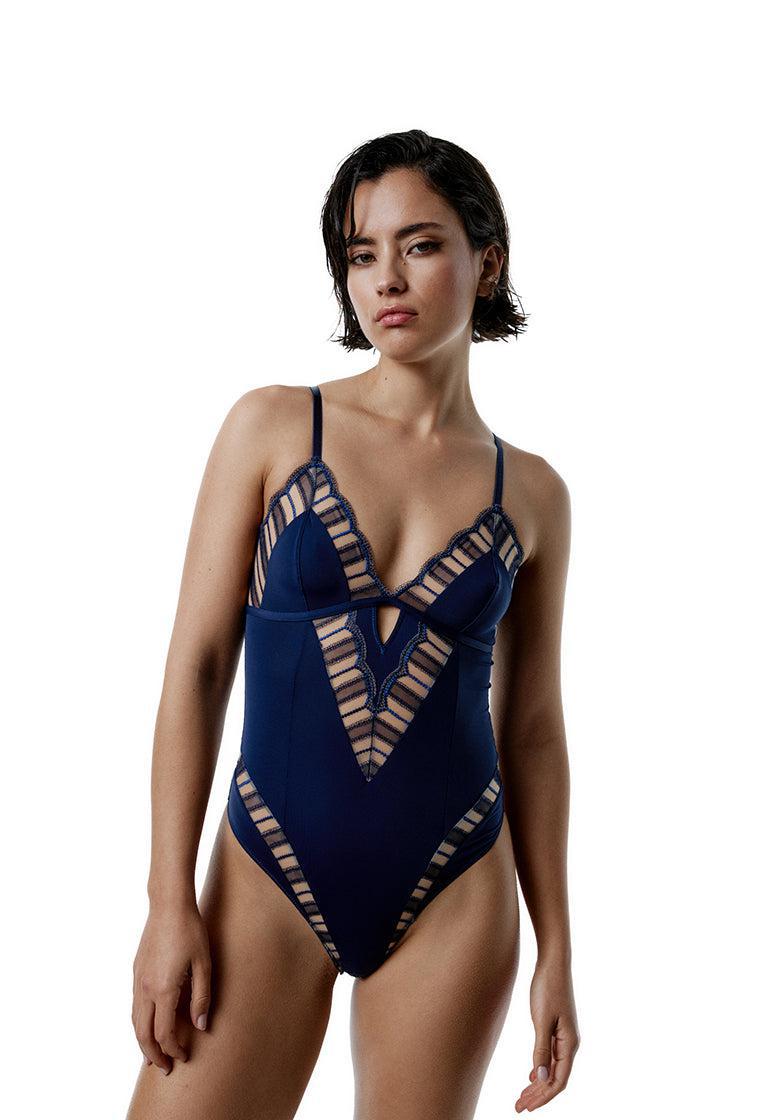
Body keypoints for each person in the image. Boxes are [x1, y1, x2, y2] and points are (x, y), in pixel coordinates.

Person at [126, 128, 580, 1120]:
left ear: (486, 261)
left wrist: (557, 949)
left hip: (457, 889)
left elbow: (534, 730)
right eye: (362, 253)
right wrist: (167, 903)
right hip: (265, 872)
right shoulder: (274, 425)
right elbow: (197, 668)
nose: (387, 279)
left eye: (420, 245)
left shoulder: (534, 493)